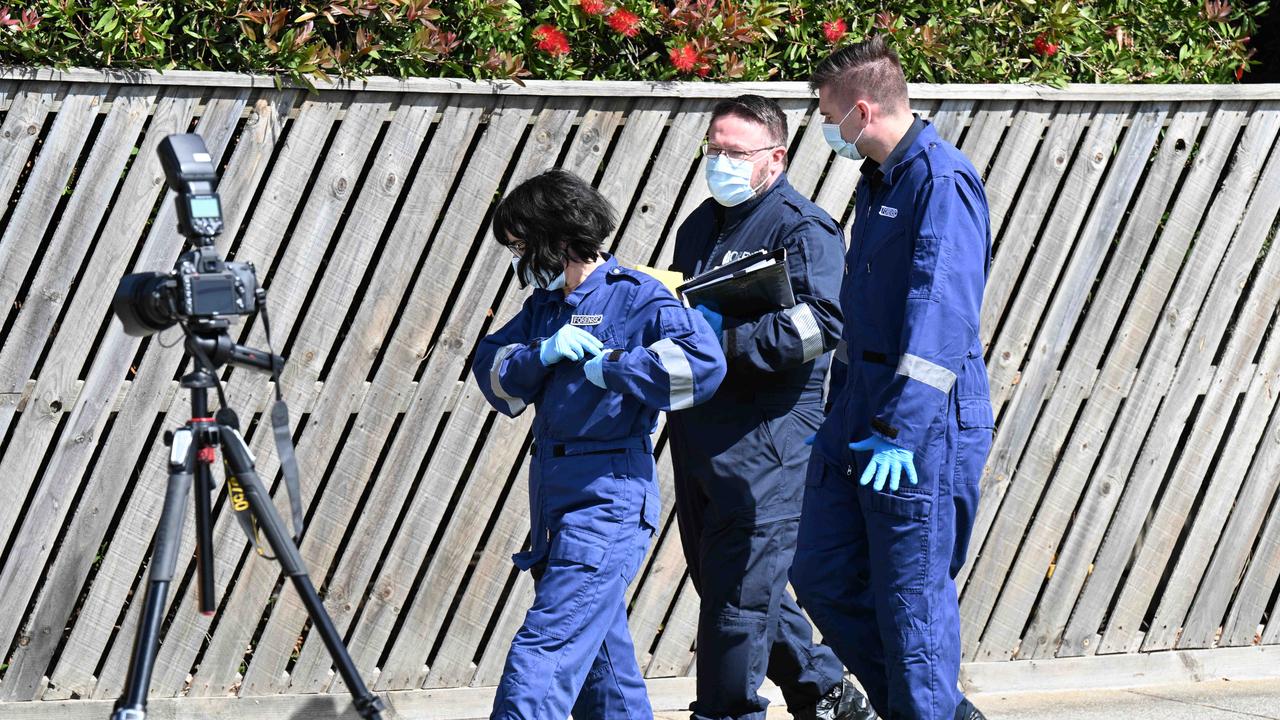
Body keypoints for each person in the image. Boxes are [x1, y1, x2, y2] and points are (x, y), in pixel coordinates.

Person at [791, 36, 996, 720]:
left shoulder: (941, 180)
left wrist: (901, 428)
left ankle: (926, 709)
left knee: (910, 601)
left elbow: (942, 316)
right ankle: (937, 711)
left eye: (827, 113)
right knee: (817, 569)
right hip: (859, 412)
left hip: (919, 424)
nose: (826, 130)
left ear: (862, 110)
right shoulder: (882, 178)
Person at [473, 169, 727, 719]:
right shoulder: (544, 308)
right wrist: (538, 354)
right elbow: (491, 368)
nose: (518, 260)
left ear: (559, 238)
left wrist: (614, 368)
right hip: (553, 497)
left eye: (522, 246)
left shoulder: (638, 298)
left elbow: (703, 367)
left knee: (544, 652)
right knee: (603, 674)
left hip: (607, 497)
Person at [667, 94, 875, 720]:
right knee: (728, 582)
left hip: (770, 439)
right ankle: (826, 693)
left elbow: (822, 326)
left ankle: (726, 712)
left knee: (737, 601)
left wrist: (721, 344)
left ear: (775, 158)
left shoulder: (801, 229)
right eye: (713, 149)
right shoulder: (700, 224)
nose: (720, 161)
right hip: (701, 433)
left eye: (734, 152)